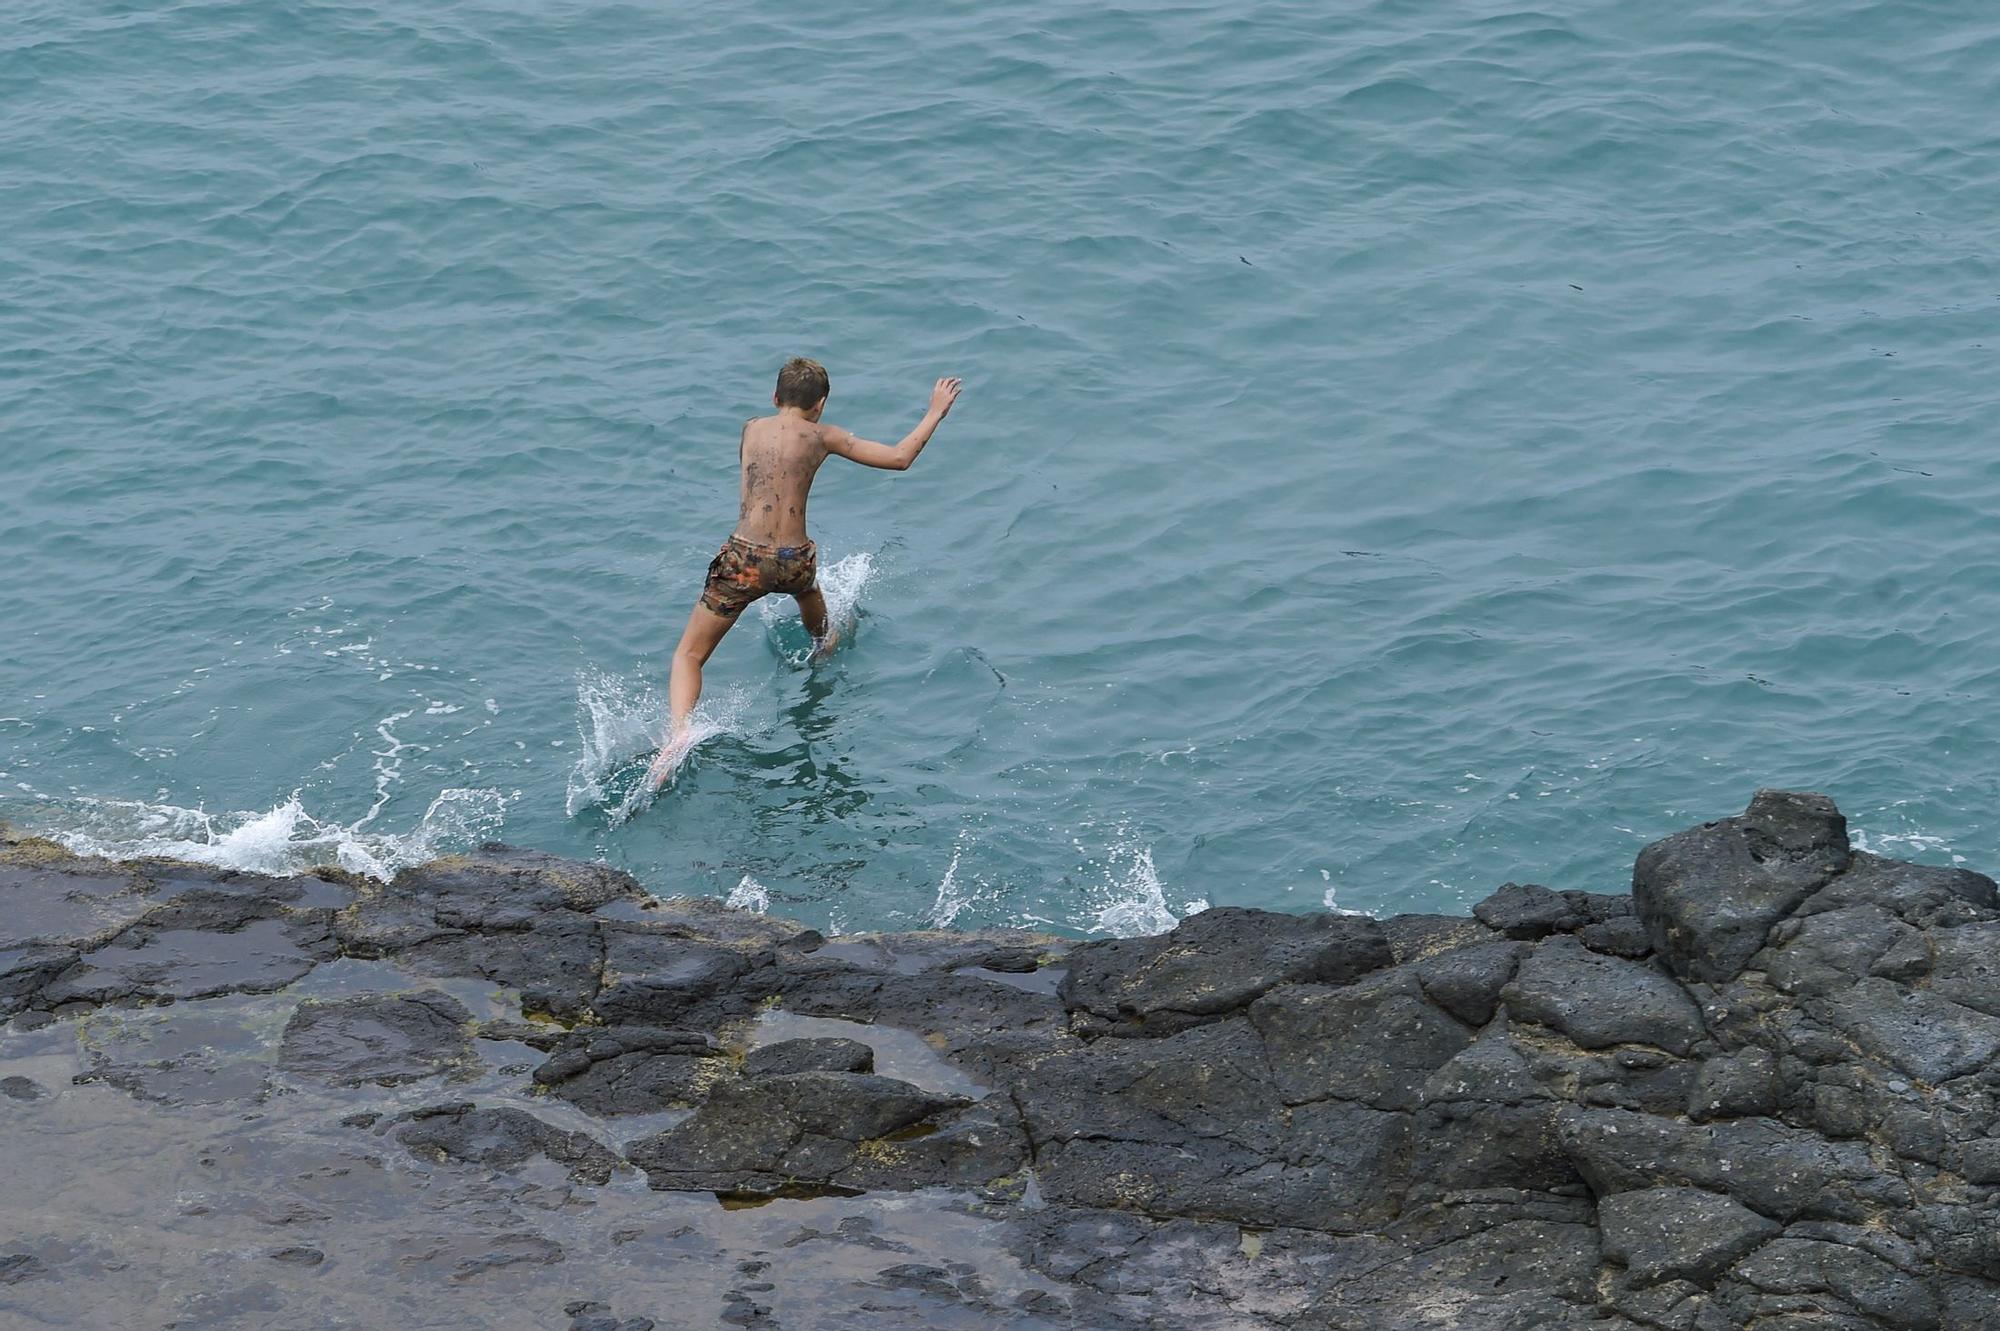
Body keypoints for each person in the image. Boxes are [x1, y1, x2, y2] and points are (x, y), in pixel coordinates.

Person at [647, 358, 963, 787]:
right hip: (793, 559)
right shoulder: (823, 436)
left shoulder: (750, 428)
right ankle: (822, 646)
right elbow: (900, 458)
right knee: (808, 591)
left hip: (745, 560)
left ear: (775, 398)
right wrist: (935, 411)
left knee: (689, 655)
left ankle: (678, 736)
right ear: (822, 404)